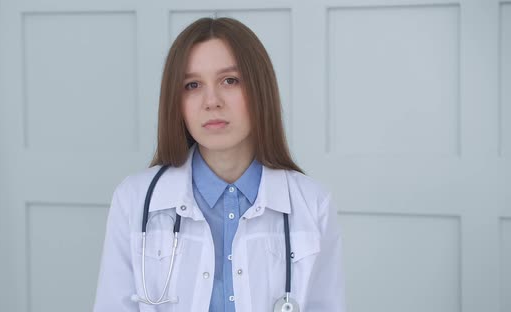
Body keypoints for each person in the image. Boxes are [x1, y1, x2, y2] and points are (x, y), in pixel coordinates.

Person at [93, 17, 345, 312]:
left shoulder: (313, 203)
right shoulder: (134, 199)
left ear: (260, 90)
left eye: (230, 80)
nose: (211, 101)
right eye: (193, 84)